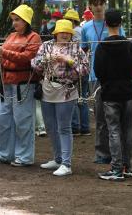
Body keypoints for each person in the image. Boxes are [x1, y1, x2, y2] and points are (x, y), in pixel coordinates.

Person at [32, 19, 89, 176]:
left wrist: (68, 61)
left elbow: (84, 69)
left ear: (71, 34)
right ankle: (57, 159)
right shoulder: (46, 46)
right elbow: (35, 65)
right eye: (61, 32)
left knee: (64, 127)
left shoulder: (76, 48)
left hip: (66, 91)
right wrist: (45, 60)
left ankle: (66, 163)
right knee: (50, 127)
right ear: (56, 33)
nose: (64, 35)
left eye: (67, 32)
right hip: (47, 90)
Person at [0, 5, 41, 167]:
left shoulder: (34, 38)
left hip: (23, 85)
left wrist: (3, 52)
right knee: (2, 119)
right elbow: (5, 57)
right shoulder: (11, 36)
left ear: (26, 21)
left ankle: (24, 156)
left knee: (23, 120)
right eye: (13, 20)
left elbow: (27, 58)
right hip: (6, 84)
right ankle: (4, 153)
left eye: (17, 20)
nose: (14, 23)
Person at [94, 9, 132, 181]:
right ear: (120, 23)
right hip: (128, 93)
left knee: (113, 130)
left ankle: (116, 168)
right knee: (128, 130)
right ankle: (127, 166)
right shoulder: (129, 45)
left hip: (110, 94)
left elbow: (98, 72)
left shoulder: (101, 46)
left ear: (106, 23)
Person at [81, 0, 125, 164]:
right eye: (95, 4)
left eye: (101, 3)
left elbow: (124, 47)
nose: (98, 7)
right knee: (100, 117)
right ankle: (102, 153)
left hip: (115, 76)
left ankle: (118, 153)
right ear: (90, 6)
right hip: (94, 76)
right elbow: (83, 51)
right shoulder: (85, 28)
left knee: (115, 115)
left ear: (105, 4)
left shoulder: (115, 25)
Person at [64, 9, 91, 136]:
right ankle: (85, 127)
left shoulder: (71, 33)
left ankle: (75, 127)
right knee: (83, 98)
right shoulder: (83, 30)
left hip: (74, 68)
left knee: (73, 97)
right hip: (84, 67)